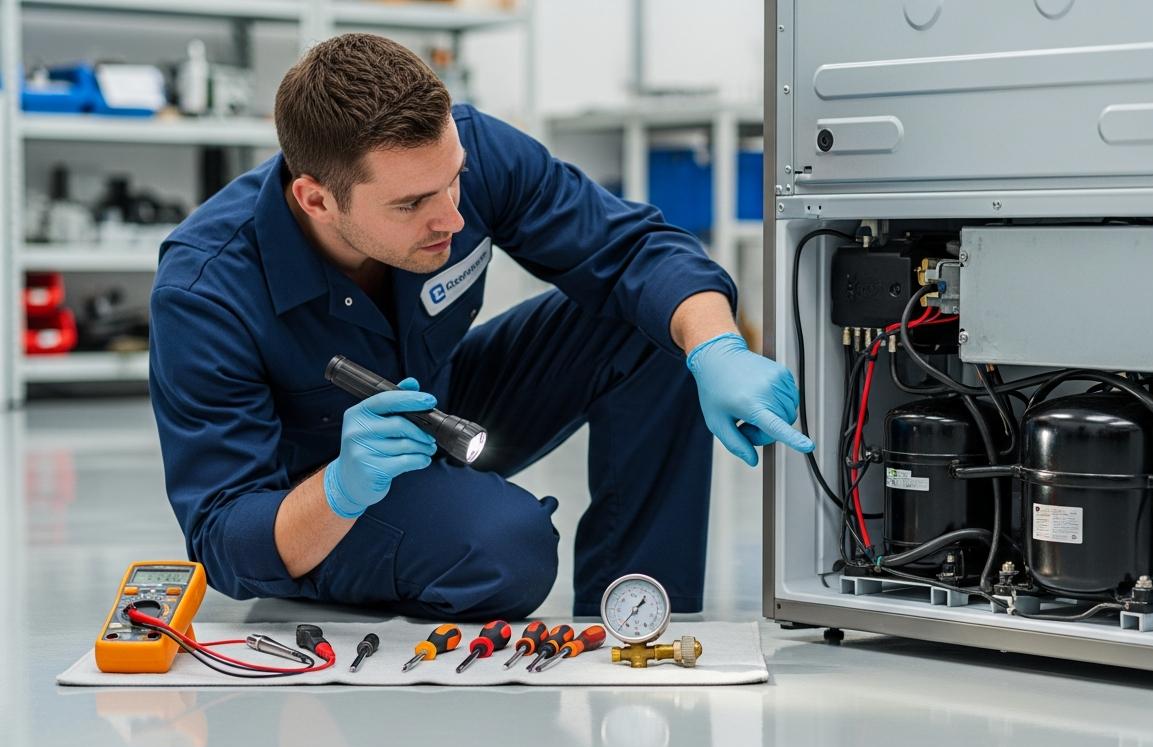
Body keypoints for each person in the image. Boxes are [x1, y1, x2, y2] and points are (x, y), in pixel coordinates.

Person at [149, 33, 813, 620]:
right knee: (503, 547)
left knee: (661, 322)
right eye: (411, 204)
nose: (453, 219)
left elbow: (633, 250)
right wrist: (340, 487)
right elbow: (223, 536)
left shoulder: (461, 155)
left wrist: (719, 346)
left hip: (441, 406)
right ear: (316, 198)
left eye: (455, 182)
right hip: (324, 492)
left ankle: (637, 613)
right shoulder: (205, 291)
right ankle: (352, 556)